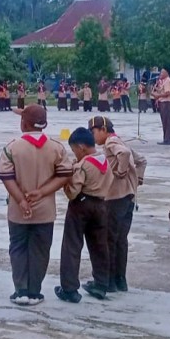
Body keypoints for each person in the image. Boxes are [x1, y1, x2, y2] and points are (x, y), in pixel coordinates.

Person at [0, 105, 74, 306]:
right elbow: (65, 175)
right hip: (45, 210)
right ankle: (34, 291)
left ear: (24, 123)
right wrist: (42, 192)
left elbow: (7, 177)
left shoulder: (12, 147)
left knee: (18, 248)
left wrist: (21, 200)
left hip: (18, 210)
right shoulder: (56, 148)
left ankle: (20, 290)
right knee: (40, 249)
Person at [54, 128, 113, 304]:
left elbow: (73, 192)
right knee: (100, 246)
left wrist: (66, 183)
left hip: (81, 205)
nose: (75, 154)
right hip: (101, 205)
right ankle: (101, 284)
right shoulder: (105, 160)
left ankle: (69, 288)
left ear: (81, 147)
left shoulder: (83, 165)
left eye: (74, 150)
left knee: (72, 245)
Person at [90, 116, 146, 292]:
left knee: (109, 239)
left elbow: (125, 154)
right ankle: (120, 280)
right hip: (128, 197)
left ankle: (108, 282)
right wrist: (138, 179)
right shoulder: (120, 140)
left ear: (103, 129)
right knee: (121, 240)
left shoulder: (111, 142)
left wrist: (121, 172)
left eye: (93, 132)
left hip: (115, 198)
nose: (92, 137)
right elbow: (141, 160)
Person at [153, 69, 170, 145]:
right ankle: (166, 139)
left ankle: (168, 140)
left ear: (166, 73)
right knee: (165, 122)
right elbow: (163, 91)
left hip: (167, 103)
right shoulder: (164, 81)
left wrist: (158, 96)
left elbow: (168, 93)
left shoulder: (167, 81)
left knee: (167, 122)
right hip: (164, 103)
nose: (160, 74)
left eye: (162, 72)